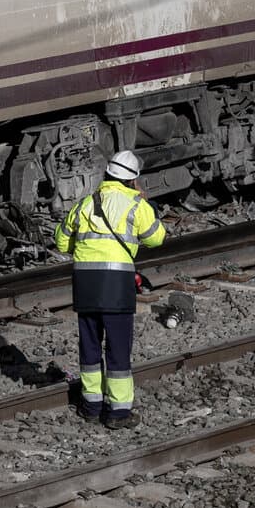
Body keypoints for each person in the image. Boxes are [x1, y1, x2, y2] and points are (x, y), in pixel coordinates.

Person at [54, 151, 166, 429]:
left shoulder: (84, 205)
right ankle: (118, 413)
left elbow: (61, 242)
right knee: (117, 349)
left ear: (106, 175)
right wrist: (146, 205)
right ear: (132, 181)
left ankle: (90, 405)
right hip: (116, 285)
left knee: (90, 345)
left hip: (85, 284)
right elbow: (157, 238)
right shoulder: (135, 205)